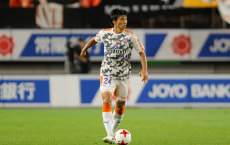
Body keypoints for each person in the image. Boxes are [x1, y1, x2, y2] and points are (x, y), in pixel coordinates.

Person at [80, 8, 148, 144]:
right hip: (107, 73)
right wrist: (85, 48)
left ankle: (113, 133)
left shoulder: (130, 36)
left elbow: (141, 52)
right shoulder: (105, 34)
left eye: (126, 19)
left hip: (123, 76)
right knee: (106, 99)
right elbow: (94, 39)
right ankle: (110, 135)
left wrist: (144, 70)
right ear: (114, 21)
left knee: (120, 106)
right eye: (122, 19)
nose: (125, 22)